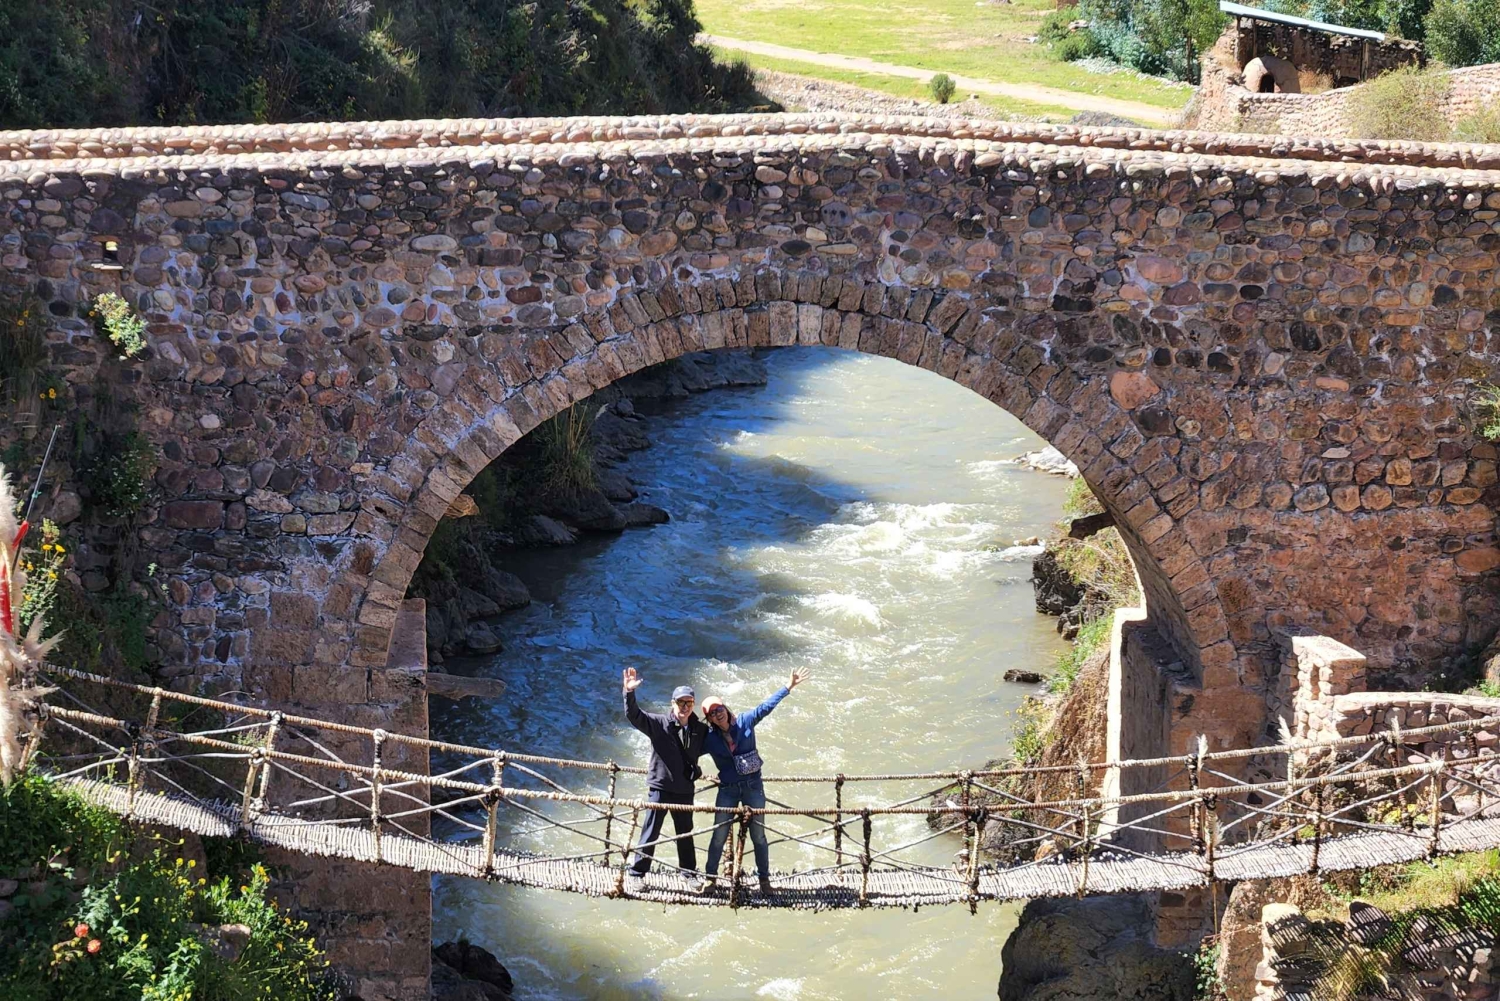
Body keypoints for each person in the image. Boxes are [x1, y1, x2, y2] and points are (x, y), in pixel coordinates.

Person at [700, 669, 808, 895]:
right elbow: (689, 752)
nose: (717, 714)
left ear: (725, 708)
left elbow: (765, 707)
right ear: (708, 719)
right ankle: (710, 879)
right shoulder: (709, 739)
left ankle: (764, 881)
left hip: (753, 787)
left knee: (758, 835)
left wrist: (788, 687)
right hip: (728, 789)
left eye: (719, 709)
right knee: (719, 834)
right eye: (711, 713)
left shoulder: (745, 721)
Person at [622, 667, 708, 888]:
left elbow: (720, 741)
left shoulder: (700, 729)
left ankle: (688, 874)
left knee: (685, 834)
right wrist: (629, 692)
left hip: (684, 789)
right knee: (650, 831)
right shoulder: (659, 724)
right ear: (673, 703)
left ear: (694, 705)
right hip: (660, 787)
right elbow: (634, 716)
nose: (685, 707)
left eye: (689, 703)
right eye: (681, 703)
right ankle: (637, 874)